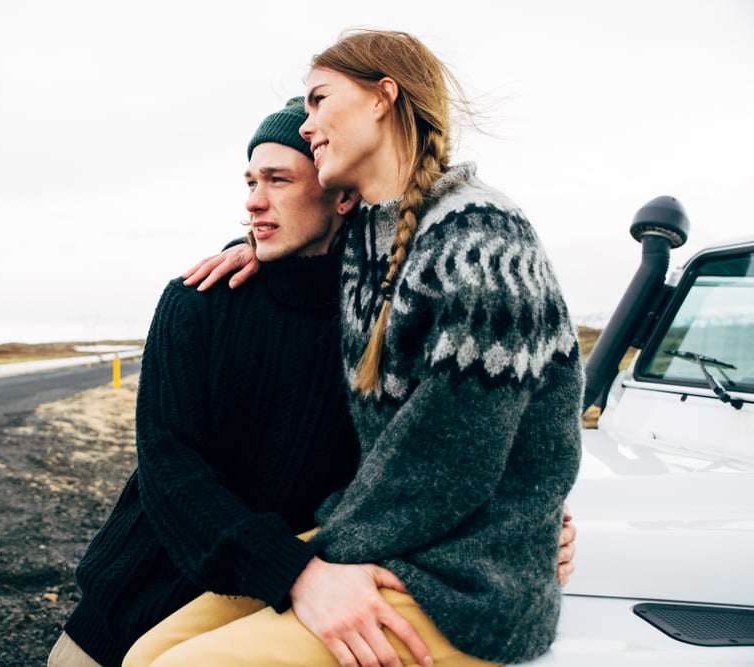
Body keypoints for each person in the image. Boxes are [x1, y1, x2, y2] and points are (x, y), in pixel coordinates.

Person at [124, 28, 584, 667]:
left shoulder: (481, 237)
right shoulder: (374, 236)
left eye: (317, 101)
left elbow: (453, 460)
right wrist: (247, 251)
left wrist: (321, 565)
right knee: (147, 651)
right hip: (385, 534)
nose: (308, 124)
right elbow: (304, 247)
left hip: (463, 571)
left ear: (381, 98)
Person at [48, 98, 367, 667]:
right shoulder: (198, 301)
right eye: (249, 180)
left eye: (278, 179)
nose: (253, 200)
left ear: (342, 194)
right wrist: (285, 570)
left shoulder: (379, 324)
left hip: (272, 625)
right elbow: (170, 465)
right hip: (130, 608)